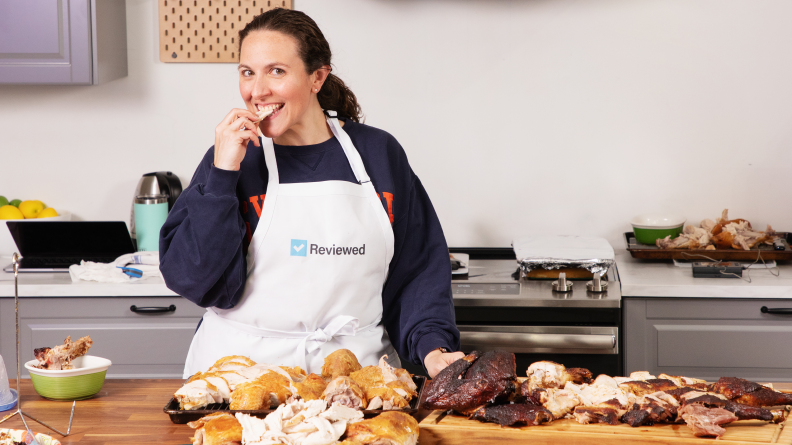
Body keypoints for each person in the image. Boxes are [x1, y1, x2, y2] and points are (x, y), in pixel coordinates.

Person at [159, 8, 463, 379]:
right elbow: (196, 280)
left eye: (277, 71)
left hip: (355, 381)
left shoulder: (378, 155)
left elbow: (418, 269)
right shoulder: (232, 160)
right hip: (240, 379)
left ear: (317, 77)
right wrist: (223, 175)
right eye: (247, 72)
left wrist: (432, 348)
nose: (257, 91)